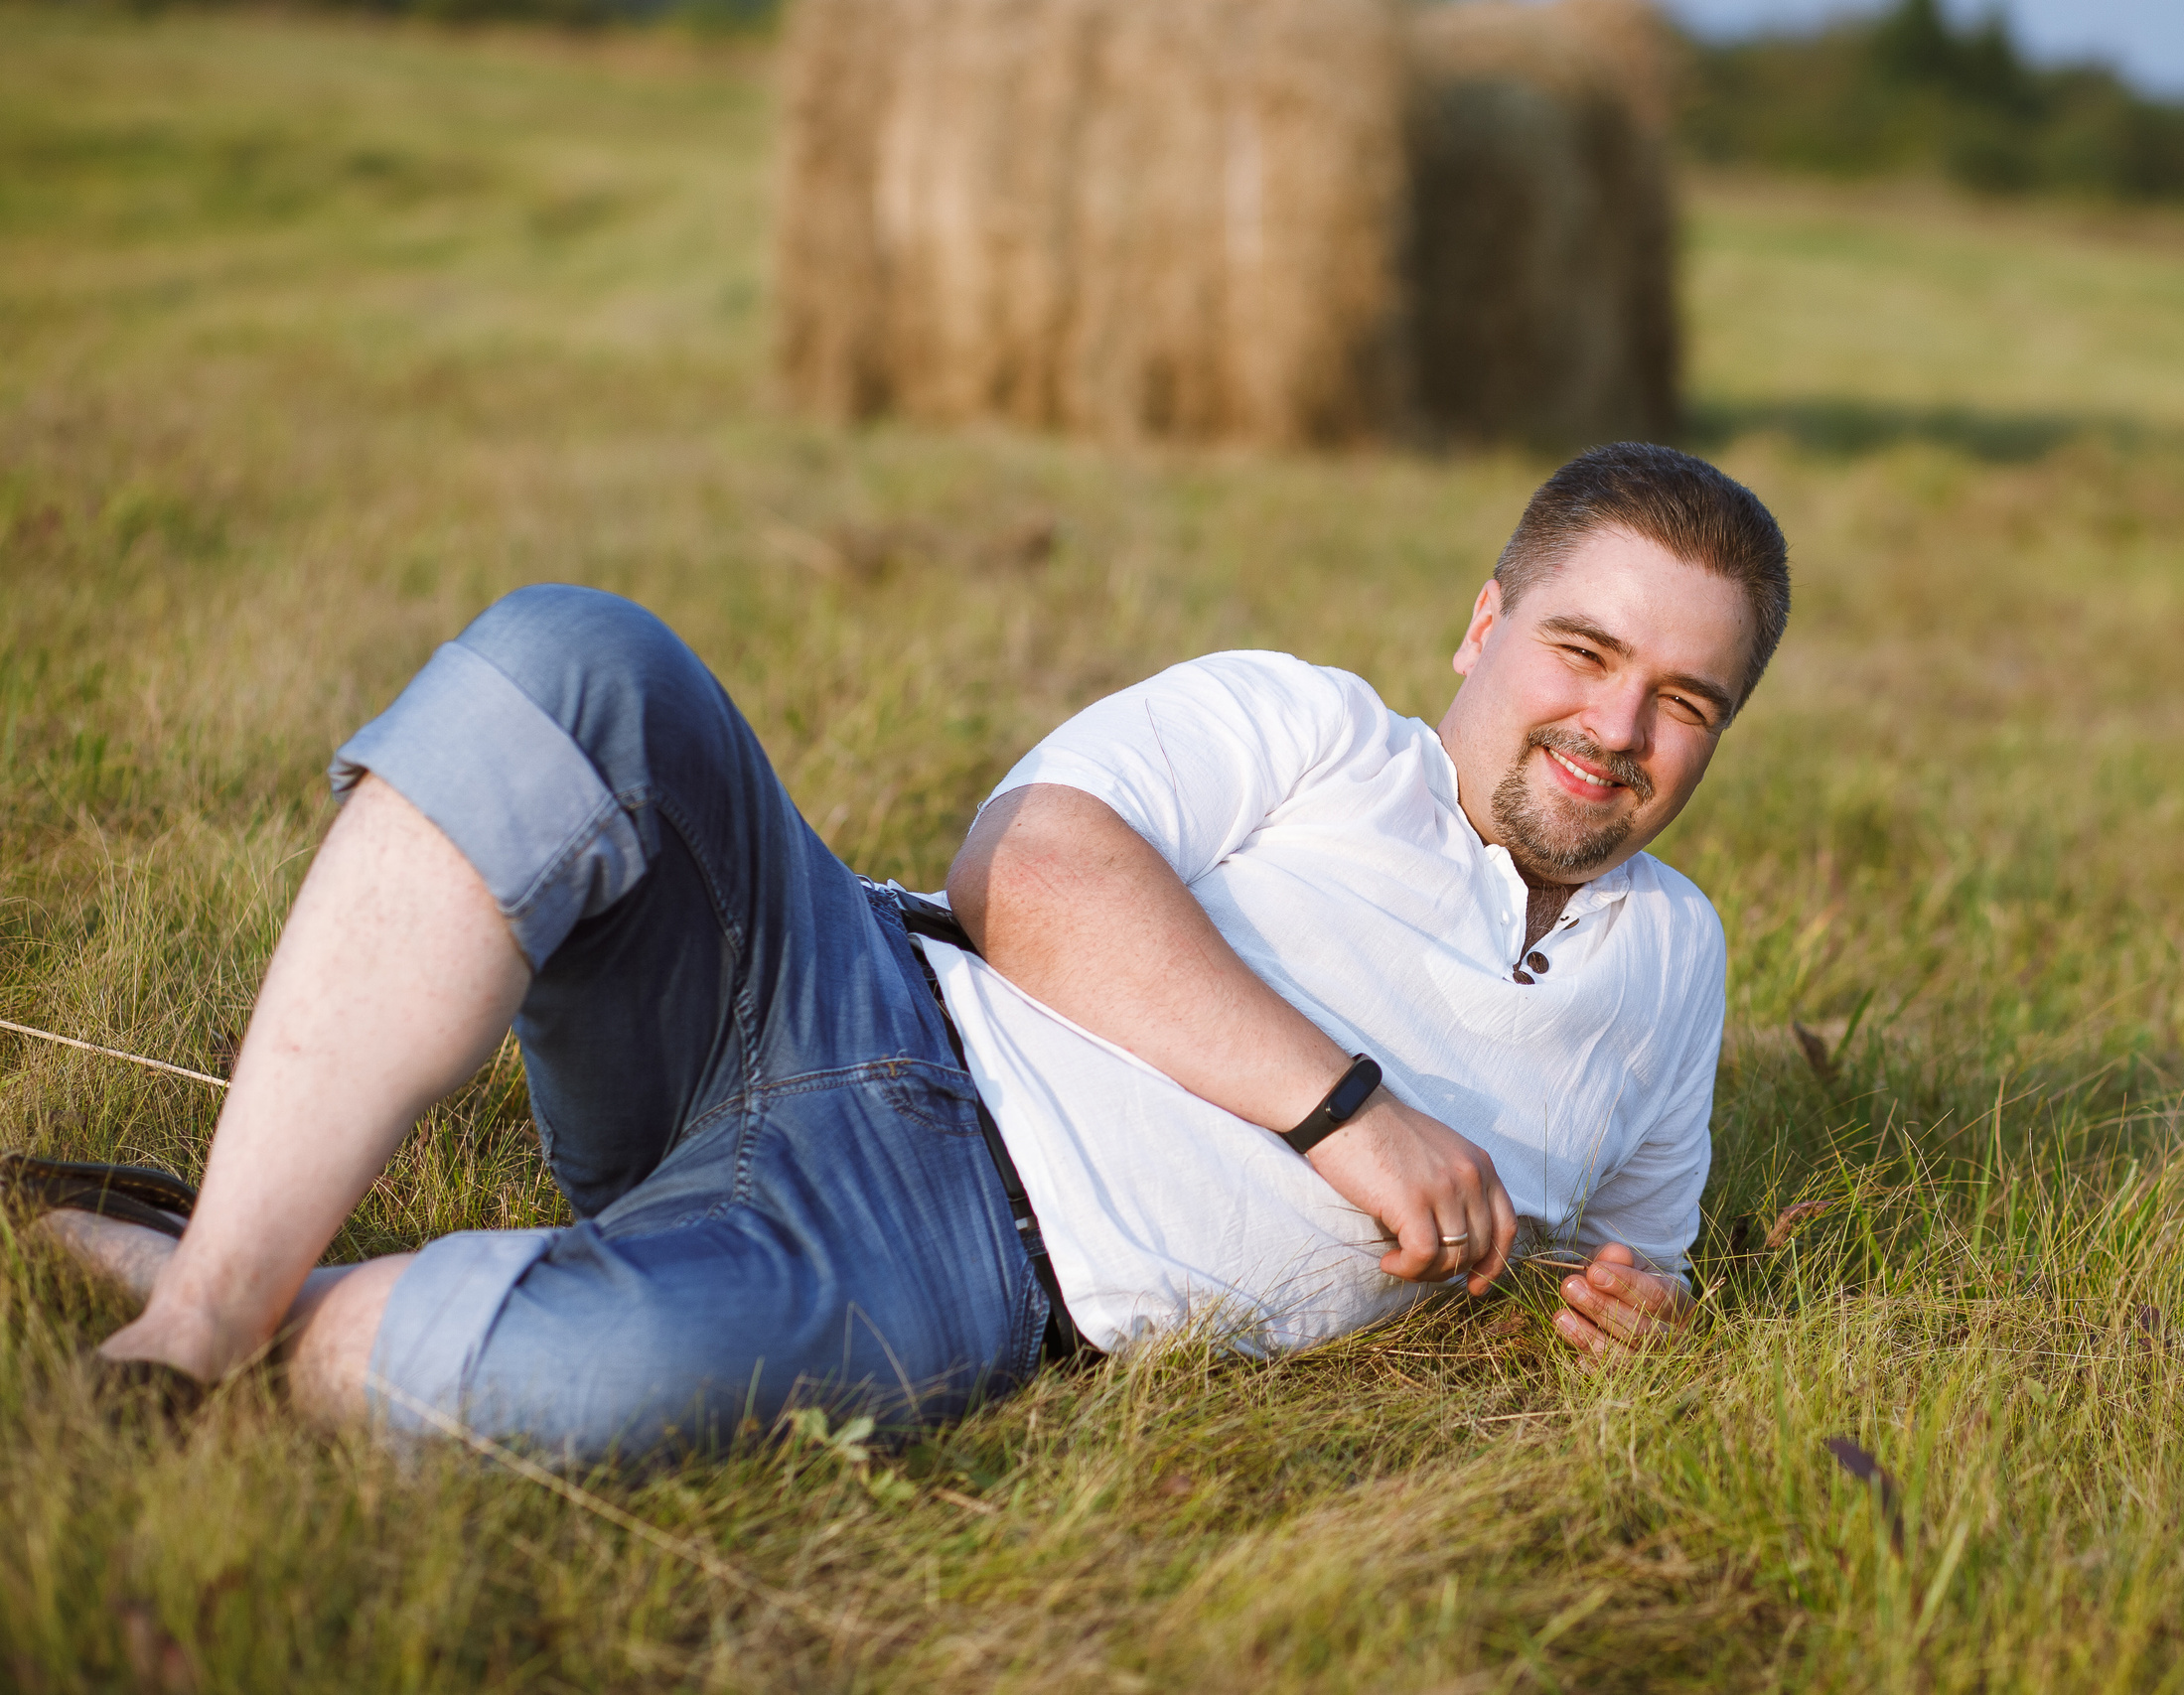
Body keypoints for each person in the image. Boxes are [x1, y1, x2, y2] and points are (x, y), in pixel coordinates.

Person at [15, 441, 1788, 1459]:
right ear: (1483, 625)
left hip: (973, 1265)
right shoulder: (1314, 727)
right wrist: (1346, 1113)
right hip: (832, 986)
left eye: (1682, 699)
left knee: (573, 1394)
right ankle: (199, 1313)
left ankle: (161, 1244)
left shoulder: (1671, 965)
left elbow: (1647, 1259)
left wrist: (1637, 1316)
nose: (1614, 724)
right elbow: (1027, 868)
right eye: (1581, 649)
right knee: (576, 658)